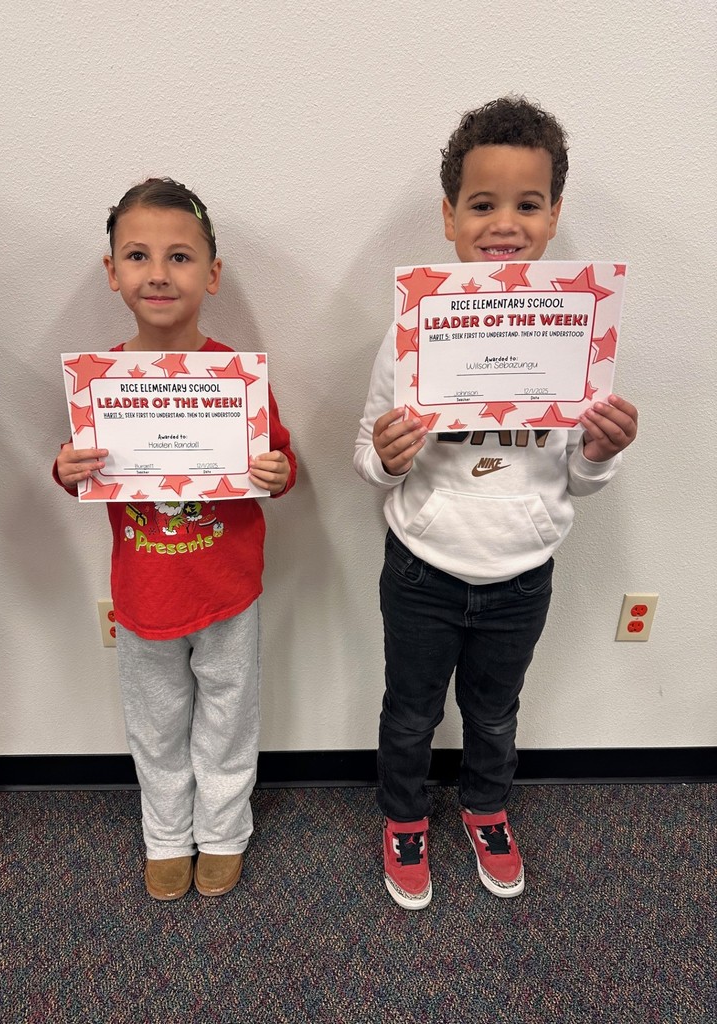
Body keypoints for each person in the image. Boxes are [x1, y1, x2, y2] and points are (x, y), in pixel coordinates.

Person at [354, 97, 638, 909]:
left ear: (555, 216)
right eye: (482, 204)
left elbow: (576, 476)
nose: (503, 223)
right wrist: (384, 455)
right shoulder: (411, 331)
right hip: (423, 567)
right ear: (449, 217)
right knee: (409, 712)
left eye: (527, 203)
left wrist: (597, 452)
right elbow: (365, 457)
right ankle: (404, 816)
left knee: (496, 712)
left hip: (522, 571)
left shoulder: (579, 332)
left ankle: (485, 804)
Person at [55, 178, 296, 900]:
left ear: (212, 274)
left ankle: (222, 831)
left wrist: (275, 468)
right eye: (138, 255)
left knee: (228, 717)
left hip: (228, 590)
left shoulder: (237, 377)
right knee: (155, 725)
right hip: (143, 594)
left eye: (180, 257)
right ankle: (165, 834)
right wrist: (66, 468)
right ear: (113, 273)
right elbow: (81, 473)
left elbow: (280, 467)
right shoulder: (100, 382)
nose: (158, 273)